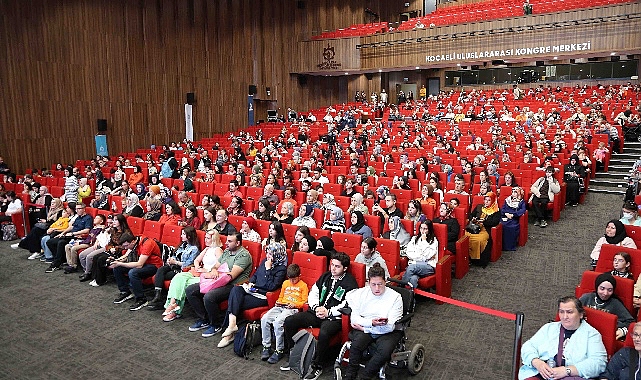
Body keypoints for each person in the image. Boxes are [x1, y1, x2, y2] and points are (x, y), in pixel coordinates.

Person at [282, 252, 358, 379]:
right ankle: (294, 354)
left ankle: (318, 366)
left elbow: (348, 304)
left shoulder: (350, 283)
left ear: (344, 268)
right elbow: (314, 293)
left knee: (324, 333)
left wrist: (329, 312)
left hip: (334, 318)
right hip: (316, 312)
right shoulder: (326, 276)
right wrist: (316, 307)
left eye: (337, 266)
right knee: (290, 321)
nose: (333, 268)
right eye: (332, 265)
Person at [216, 242, 288, 348]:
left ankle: (229, 333)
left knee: (235, 301)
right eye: (267, 253)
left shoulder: (281, 269)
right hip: (252, 290)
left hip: (263, 296)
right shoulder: (264, 261)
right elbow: (255, 275)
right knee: (236, 290)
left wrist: (268, 269)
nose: (268, 256)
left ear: (277, 255)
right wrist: (251, 282)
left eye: (270, 254)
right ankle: (232, 325)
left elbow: (271, 287)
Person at [519, 296, 607, 380]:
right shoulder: (549, 328)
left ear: (581, 314)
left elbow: (598, 363)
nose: (565, 317)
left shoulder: (592, 335)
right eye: (561, 312)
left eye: (569, 312)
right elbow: (528, 346)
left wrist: (567, 370)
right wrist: (537, 362)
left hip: (571, 376)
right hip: (543, 373)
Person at [342, 263, 403, 380]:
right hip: (368, 324)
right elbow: (354, 319)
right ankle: (350, 375)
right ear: (368, 282)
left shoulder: (395, 297)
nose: (377, 288)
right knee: (356, 345)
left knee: (384, 352)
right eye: (373, 284)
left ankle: (365, 376)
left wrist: (365, 328)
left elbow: (389, 327)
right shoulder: (361, 294)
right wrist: (371, 323)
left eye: (380, 284)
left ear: (385, 281)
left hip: (388, 331)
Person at [185, 233, 253, 337]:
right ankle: (204, 319)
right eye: (227, 240)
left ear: (238, 243)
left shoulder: (244, 255)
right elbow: (215, 266)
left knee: (209, 296)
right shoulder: (226, 252)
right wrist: (213, 271)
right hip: (217, 281)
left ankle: (215, 324)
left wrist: (216, 273)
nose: (226, 243)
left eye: (230, 241)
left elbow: (232, 275)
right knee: (190, 290)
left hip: (234, 285)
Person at [160, 231, 223, 321]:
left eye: (208, 238)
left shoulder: (218, 250)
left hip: (207, 276)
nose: (205, 240)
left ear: (214, 239)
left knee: (184, 284)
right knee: (178, 277)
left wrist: (206, 270)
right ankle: (172, 304)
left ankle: (173, 311)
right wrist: (197, 267)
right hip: (198, 272)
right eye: (205, 237)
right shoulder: (207, 249)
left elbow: (220, 265)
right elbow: (196, 260)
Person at [260, 263, 309, 364]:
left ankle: (279, 350)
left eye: (294, 279)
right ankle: (266, 346)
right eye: (290, 279)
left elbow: (304, 302)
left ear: (299, 276)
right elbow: (281, 296)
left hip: (292, 308)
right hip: (281, 305)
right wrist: (278, 301)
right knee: (265, 319)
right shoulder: (285, 283)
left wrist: (295, 305)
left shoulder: (303, 286)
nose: (292, 281)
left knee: (278, 322)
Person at [146, 226, 200, 311]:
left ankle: (160, 298)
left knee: (162, 275)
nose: (181, 236)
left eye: (183, 234)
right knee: (161, 270)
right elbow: (175, 255)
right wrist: (171, 259)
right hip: (173, 266)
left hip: (182, 270)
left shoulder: (194, 249)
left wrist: (175, 262)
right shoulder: (182, 245)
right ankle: (158, 296)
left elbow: (188, 264)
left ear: (189, 236)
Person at [109, 232, 163, 311]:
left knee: (133, 272)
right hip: (144, 263)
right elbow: (126, 256)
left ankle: (141, 299)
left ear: (133, 242)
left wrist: (119, 263)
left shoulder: (147, 243)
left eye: (127, 246)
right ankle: (125, 292)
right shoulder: (134, 242)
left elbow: (139, 265)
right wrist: (115, 261)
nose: (126, 248)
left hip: (154, 266)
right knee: (117, 268)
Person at [579, 273, 634, 341]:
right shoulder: (586, 298)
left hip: (603, 337)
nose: (605, 293)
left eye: (609, 290)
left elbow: (631, 322)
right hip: (583, 333)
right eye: (602, 289)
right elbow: (574, 311)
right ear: (597, 287)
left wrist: (622, 331)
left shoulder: (615, 303)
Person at [45, 203, 93, 273]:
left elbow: (87, 230)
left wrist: (73, 233)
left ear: (84, 209)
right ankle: (60, 259)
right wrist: (63, 233)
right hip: (70, 235)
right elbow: (72, 227)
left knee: (61, 243)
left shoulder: (88, 218)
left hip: (77, 236)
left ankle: (56, 264)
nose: (77, 210)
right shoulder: (78, 217)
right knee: (50, 241)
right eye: (76, 209)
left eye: (79, 209)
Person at [466, 192, 500, 267]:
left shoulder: (496, 211)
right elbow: (470, 215)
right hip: (474, 227)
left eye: (489, 200)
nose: (486, 202)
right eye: (485, 200)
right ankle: (468, 258)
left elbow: (495, 222)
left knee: (479, 240)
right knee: (465, 236)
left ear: (493, 201)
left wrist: (484, 221)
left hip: (485, 229)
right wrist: (473, 219)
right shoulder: (479, 207)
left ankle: (476, 260)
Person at [402, 220, 438, 288]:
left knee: (411, 268)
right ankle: (412, 298)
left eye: (425, 229)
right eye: (421, 228)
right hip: (415, 263)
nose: (422, 231)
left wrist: (424, 241)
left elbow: (428, 255)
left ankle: (401, 288)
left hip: (428, 266)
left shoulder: (433, 241)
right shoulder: (414, 238)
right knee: (413, 279)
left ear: (429, 229)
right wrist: (422, 257)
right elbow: (409, 252)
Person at [500, 187, 527, 251]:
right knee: (500, 224)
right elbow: (503, 209)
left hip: (513, 219)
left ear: (519, 193)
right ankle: (499, 245)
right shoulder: (507, 200)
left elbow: (523, 210)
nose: (513, 194)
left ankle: (508, 246)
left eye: (515, 192)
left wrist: (513, 215)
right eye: (512, 192)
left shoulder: (521, 202)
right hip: (505, 216)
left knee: (510, 227)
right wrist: (506, 213)